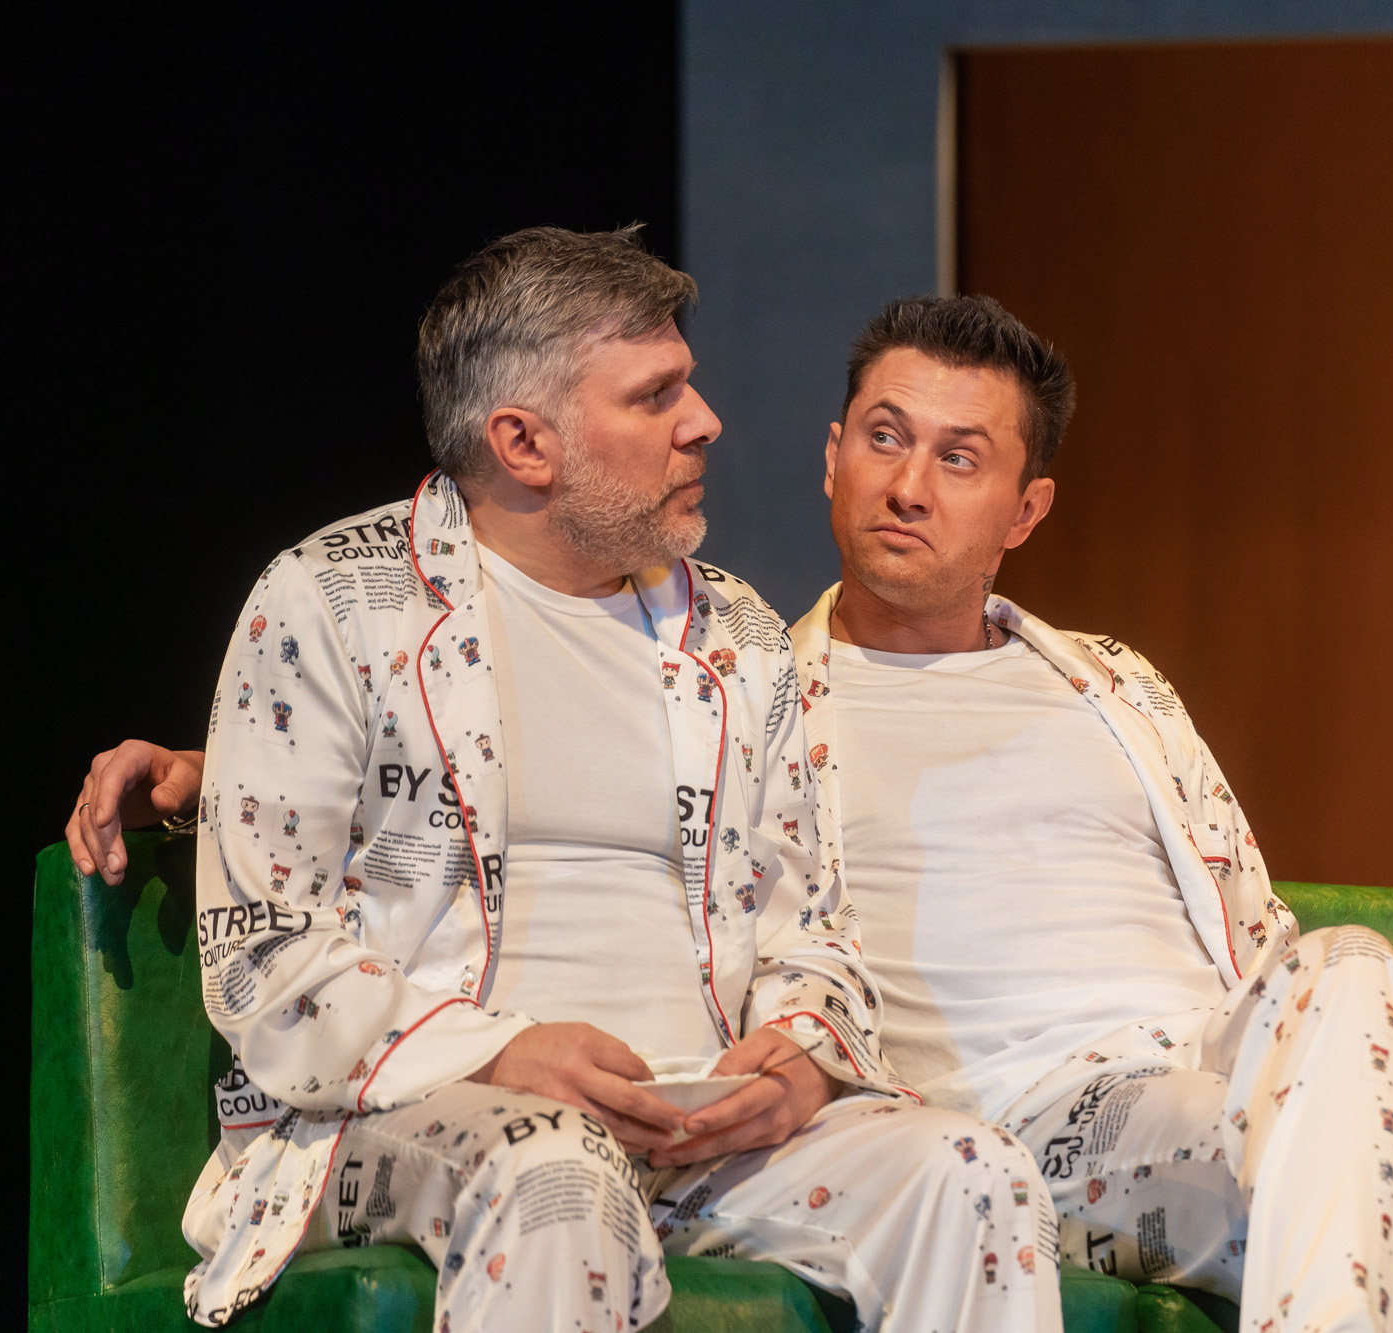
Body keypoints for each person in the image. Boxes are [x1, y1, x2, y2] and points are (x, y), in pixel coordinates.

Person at [74, 293, 1393, 1332]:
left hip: (1224, 1083)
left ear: (1027, 509)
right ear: (834, 457)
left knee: (1351, 968)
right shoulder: (765, 683)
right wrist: (222, 775)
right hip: (1055, 1123)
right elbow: (502, 764)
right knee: (1271, 1135)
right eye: (885, 440)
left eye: (961, 459)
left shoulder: (1118, 690)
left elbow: (1268, 968)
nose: (909, 485)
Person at [76, 230, 1059, 1333]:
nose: (705, 421)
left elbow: (810, 927)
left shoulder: (735, 633)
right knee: (557, 1172)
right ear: (524, 442)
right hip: (424, 1109)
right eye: (656, 396)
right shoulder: (332, 602)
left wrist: (798, 1055)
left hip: (700, 1130)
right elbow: (268, 954)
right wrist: (502, 1051)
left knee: (970, 1171)